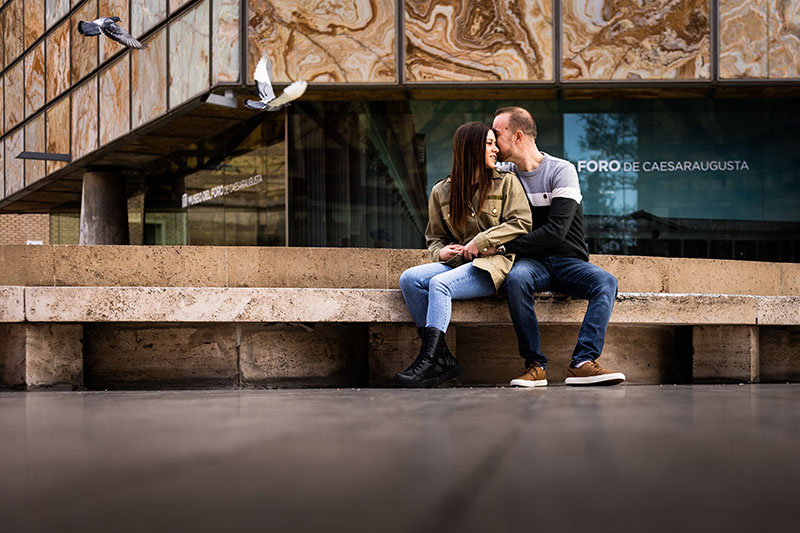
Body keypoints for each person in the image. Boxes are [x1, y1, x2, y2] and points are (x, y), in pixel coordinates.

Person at [487, 106, 625, 387]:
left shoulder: (561, 170)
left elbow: (555, 233)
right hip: (530, 263)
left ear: (518, 136)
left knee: (606, 282)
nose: (493, 141)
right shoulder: (504, 175)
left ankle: (582, 362)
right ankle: (535, 366)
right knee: (516, 280)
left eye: (496, 134)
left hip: (568, 261)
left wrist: (502, 247)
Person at [393, 121, 532, 388]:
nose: (496, 150)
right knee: (409, 279)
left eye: (494, 143)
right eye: (489, 144)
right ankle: (441, 357)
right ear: (470, 149)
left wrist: (482, 240)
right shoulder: (441, 190)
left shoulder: (506, 183)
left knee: (439, 284)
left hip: (492, 266)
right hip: (458, 264)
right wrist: (441, 252)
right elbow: (434, 237)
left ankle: (429, 359)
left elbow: (522, 223)